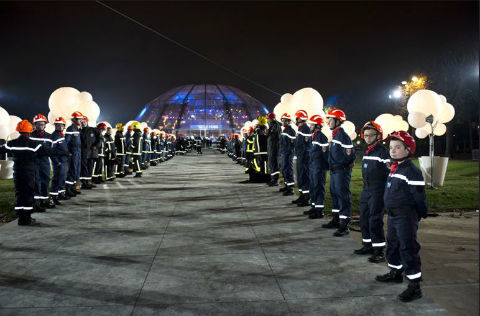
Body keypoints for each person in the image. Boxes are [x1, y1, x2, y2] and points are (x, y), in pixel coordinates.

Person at [375, 131, 427, 302]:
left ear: (408, 149)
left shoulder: (411, 171)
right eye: (391, 147)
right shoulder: (395, 167)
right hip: (393, 216)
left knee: (408, 248)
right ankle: (396, 272)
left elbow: (419, 197)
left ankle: (414, 285)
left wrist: (419, 214)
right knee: (393, 245)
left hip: (405, 216)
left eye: (398, 147)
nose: (393, 150)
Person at [354, 121, 390, 263]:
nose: (368, 138)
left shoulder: (383, 152)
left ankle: (379, 250)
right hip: (366, 188)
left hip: (378, 189)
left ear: (378, 136)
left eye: (371, 135)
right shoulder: (367, 151)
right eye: (366, 135)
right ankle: (367, 245)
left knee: (375, 218)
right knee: (364, 217)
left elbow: (389, 172)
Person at [6, 120, 48, 225]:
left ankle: (21, 218)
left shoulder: (12, 143)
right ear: (30, 131)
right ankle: (27, 217)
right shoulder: (34, 144)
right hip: (29, 173)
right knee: (29, 193)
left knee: (19, 193)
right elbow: (47, 152)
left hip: (18, 173)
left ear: (19, 131)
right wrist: (64, 153)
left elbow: (2, 150)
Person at [322, 108, 356, 237]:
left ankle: (345, 223)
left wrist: (343, 166)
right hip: (335, 171)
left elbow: (350, 156)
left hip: (341, 171)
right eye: (328, 119)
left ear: (337, 121)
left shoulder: (343, 136)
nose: (328, 122)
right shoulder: (335, 135)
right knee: (335, 195)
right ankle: (336, 219)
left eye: (330, 119)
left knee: (343, 197)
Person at [304, 115, 329, 219]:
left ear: (317, 125)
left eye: (312, 124)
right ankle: (314, 207)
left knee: (318, 188)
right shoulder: (314, 136)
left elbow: (325, 154)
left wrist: (324, 167)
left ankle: (319, 211)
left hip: (319, 166)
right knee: (313, 187)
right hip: (313, 165)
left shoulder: (322, 137)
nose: (310, 126)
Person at [30, 114, 54, 210]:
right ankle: (35, 203)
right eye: (38, 124)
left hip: (45, 162)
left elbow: (51, 150)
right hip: (34, 162)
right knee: (36, 181)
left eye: (42, 124)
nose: (41, 126)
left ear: (45, 125)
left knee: (46, 180)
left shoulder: (49, 136)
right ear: (34, 125)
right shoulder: (30, 136)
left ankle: (43, 201)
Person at [292, 110, 311, 207]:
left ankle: (306, 198)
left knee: (305, 177)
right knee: (300, 177)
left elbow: (306, 145)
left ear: (300, 118)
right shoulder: (301, 129)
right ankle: (302, 195)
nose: (296, 119)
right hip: (300, 156)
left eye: (297, 117)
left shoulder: (305, 129)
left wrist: (302, 156)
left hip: (304, 158)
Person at [50, 117, 70, 205]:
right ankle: (53, 197)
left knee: (62, 178)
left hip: (64, 160)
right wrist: (56, 161)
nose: (60, 126)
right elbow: (52, 151)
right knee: (57, 179)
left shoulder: (61, 135)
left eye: (61, 125)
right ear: (55, 126)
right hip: (59, 162)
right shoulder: (54, 136)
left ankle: (61, 194)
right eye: (58, 125)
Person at [79, 116, 101, 189]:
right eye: (81, 122)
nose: (83, 124)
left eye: (84, 122)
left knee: (90, 167)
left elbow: (100, 138)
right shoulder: (79, 131)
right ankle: (84, 182)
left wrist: (96, 145)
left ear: (87, 122)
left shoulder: (93, 130)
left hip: (91, 153)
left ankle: (88, 182)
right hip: (83, 153)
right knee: (84, 168)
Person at [65, 111, 83, 197]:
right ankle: (67, 189)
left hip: (78, 153)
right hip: (73, 153)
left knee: (76, 171)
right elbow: (66, 142)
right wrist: (68, 152)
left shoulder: (76, 129)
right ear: (74, 119)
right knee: (72, 170)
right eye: (79, 119)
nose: (81, 121)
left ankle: (72, 188)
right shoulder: (70, 129)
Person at [279, 113, 296, 195]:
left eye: (285, 121)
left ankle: (291, 189)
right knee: (284, 169)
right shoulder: (285, 130)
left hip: (288, 153)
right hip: (284, 152)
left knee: (288, 169)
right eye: (283, 120)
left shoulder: (291, 131)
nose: (283, 122)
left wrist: (289, 154)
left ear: (289, 121)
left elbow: (292, 144)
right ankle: (286, 185)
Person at [266, 112, 282, 186]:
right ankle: (273, 179)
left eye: (268, 119)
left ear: (272, 119)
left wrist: (269, 132)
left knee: (274, 164)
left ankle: (275, 180)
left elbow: (275, 137)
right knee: (271, 164)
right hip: (271, 148)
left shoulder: (275, 125)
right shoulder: (272, 125)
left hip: (274, 148)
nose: (267, 120)